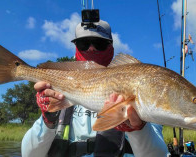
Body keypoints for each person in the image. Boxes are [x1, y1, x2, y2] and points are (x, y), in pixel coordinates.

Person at [21, 19, 168, 157]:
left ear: (111, 47)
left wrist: (138, 129)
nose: (91, 48)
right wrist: (48, 119)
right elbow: (29, 154)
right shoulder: (58, 89)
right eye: (84, 44)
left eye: (99, 43)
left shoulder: (142, 86)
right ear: (75, 48)